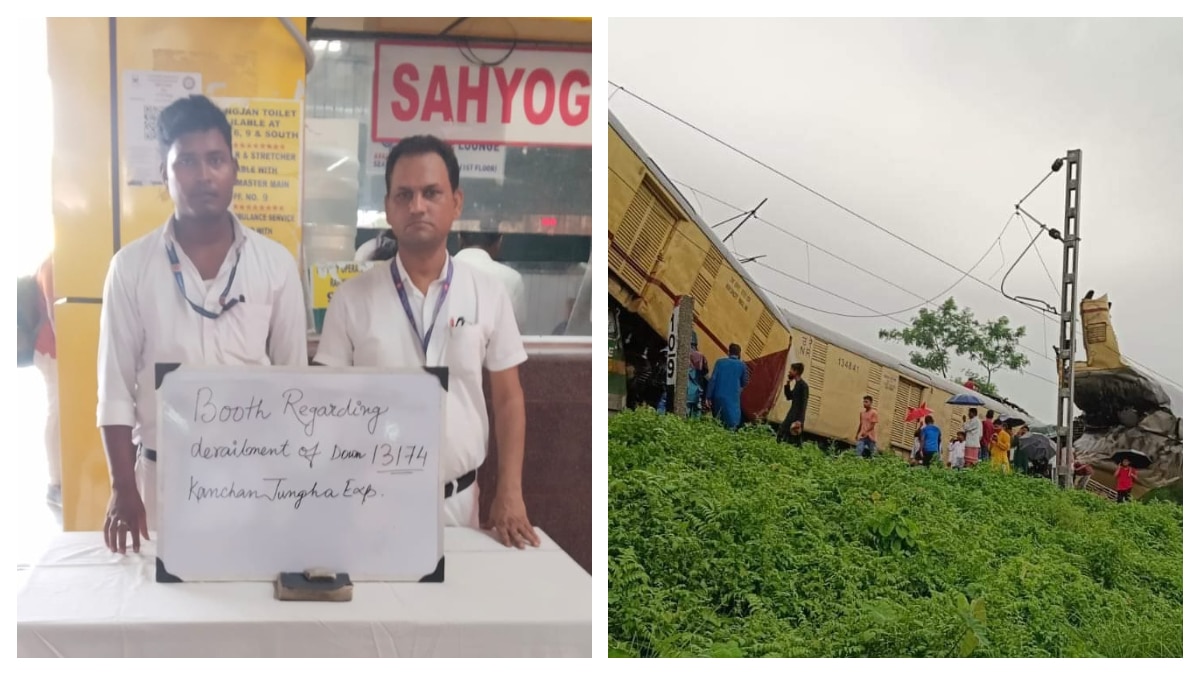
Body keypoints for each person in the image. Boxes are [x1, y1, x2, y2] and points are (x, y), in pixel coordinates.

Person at [97, 95, 309, 554]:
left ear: (234, 167)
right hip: (163, 479)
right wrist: (122, 487)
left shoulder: (274, 265)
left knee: (254, 612)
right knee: (166, 615)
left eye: (215, 160)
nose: (204, 175)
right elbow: (114, 391)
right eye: (187, 162)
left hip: (257, 479)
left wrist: (293, 485)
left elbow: (295, 380)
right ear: (165, 172)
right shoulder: (131, 267)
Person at [314, 135, 539, 549]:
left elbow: (508, 398)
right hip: (369, 502)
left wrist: (510, 491)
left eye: (431, 193)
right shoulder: (351, 299)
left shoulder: (488, 294)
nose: (417, 206)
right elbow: (328, 406)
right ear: (388, 207)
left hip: (458, 504)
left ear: (456, 202)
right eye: (405, 194)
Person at [454, 223, 527, 332]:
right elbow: (517, 334)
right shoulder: (512, 279)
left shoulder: (438, 271)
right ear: (499, 242)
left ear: (459, 238)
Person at [33, 255, 62, 506]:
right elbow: (56, 316)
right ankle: (55, 483)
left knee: (60, 413)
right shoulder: (52, 264)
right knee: (57, 414)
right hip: (51, 352)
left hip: (55, 351)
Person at [705, 343, 750, 429]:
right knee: (732, 423)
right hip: (733, 398)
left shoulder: (719, 363)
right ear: (739, 354)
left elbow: (713, 380)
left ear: (728, 352)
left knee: (718, 422)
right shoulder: (742, 365)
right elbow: (745, 382)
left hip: (718, 397)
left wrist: (708, 396)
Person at [777, 362, 809, 445]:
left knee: (792, 438)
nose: (789, 372)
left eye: (791, 370)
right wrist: (788, 384)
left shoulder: (803, 386)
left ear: (796, 371)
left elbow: (804, 404)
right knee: (783, 433)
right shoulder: (797, 384)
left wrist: (800, 420)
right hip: (792, 414)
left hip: (797, 417)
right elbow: (789, 397)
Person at [686, 333, 708, 419]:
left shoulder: (682, 353)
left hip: (685, 390)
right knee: (695, 413)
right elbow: (706, 371)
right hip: (697, 391)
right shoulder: (701, 356)